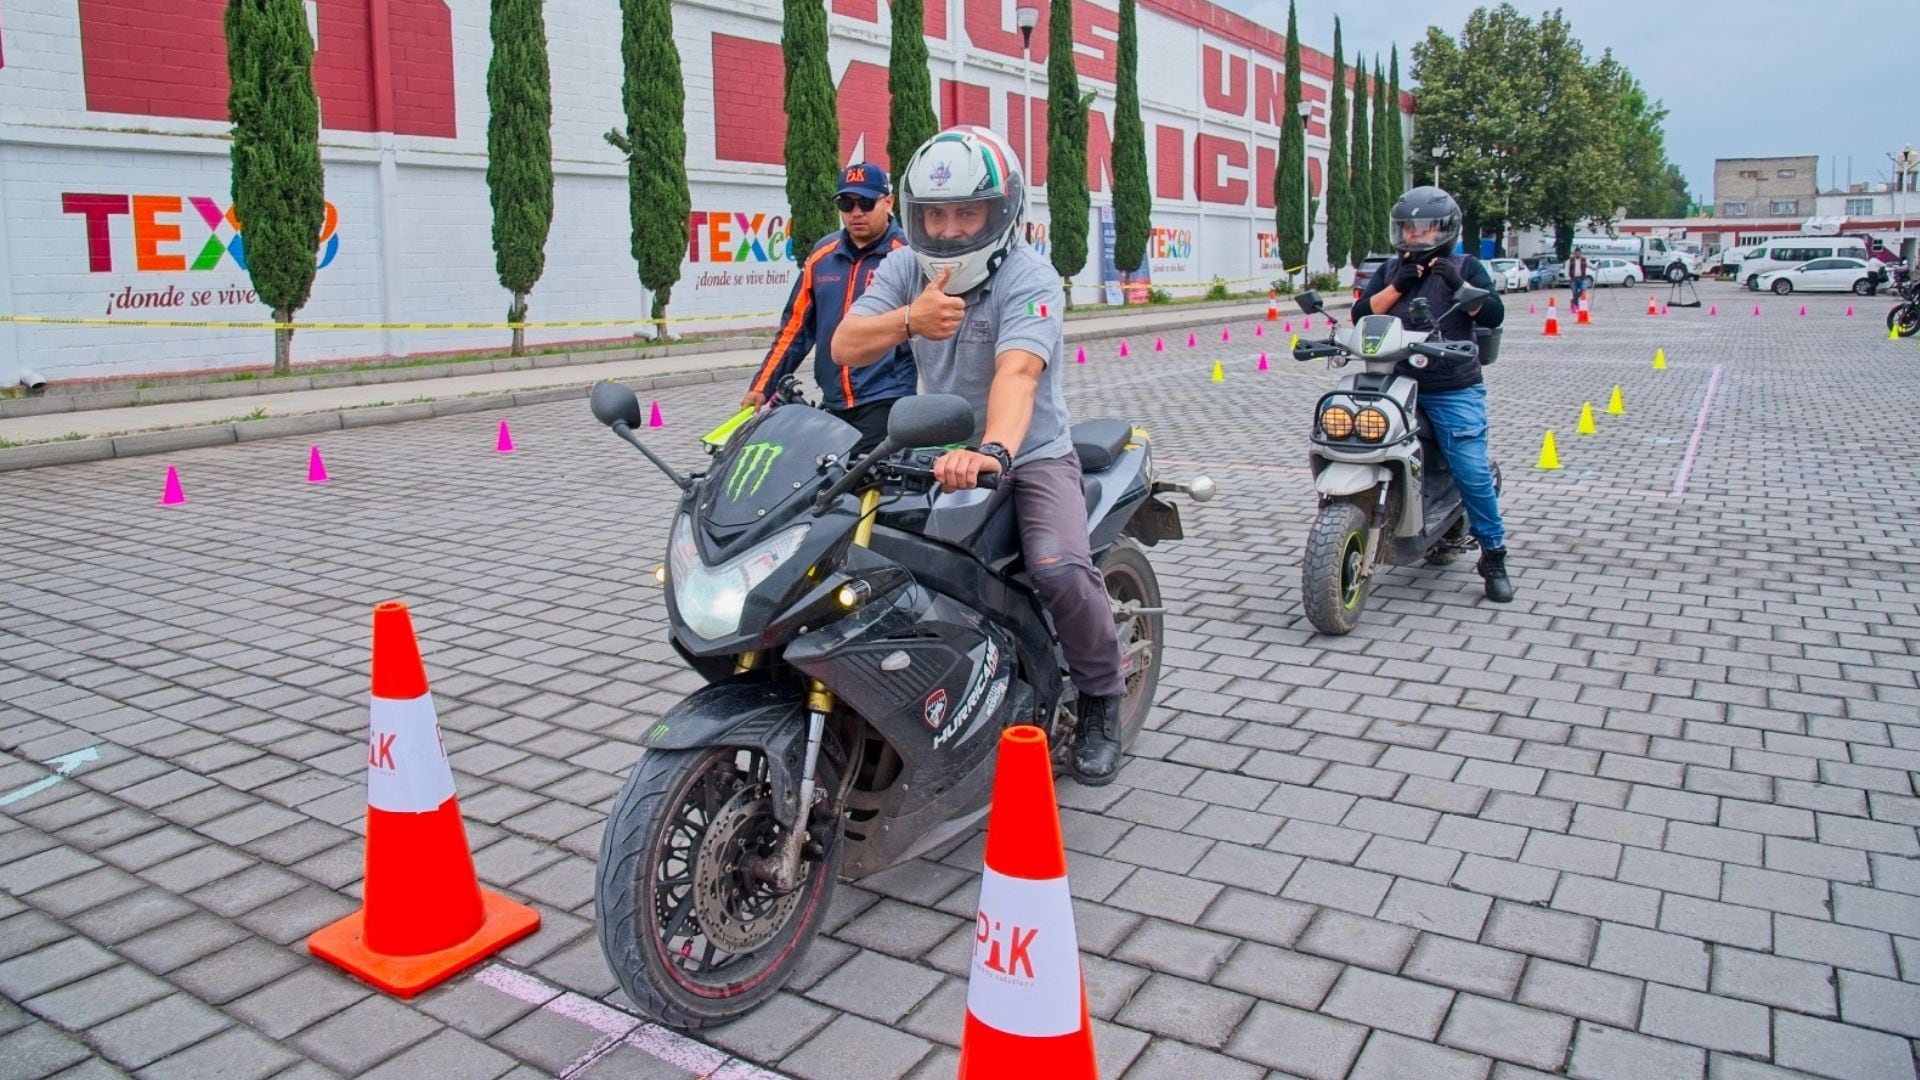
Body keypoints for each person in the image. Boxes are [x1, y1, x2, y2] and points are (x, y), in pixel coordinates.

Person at [832, 126, 1129, 785]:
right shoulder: (909, 265)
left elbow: (1018, 375)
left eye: (968, 212)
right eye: (935, 213)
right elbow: (847, 345)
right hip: (930, 445)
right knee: (867, 560)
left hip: (1029, 452)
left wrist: (993, 449)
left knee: (1056, 568)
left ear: (1000, 211)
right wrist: (909, 319)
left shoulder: (1031, 276)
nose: (951, 228)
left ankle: (1103, 698)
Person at [1353, 185, 1514, 603]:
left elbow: (1493, 313)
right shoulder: (1391, 271)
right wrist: (1398, 286)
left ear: (1444, 230)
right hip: (1392, 383)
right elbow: (1359, 315)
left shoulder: (1467, 266)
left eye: (1423, 229)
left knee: (1471, 469)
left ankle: (1493, 554)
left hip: (1450, 388)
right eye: (1407, 228)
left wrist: (1458, 285)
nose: (1414, 236)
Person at [743, 163, 916, 457]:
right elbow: (794, 330)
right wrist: (762, 386)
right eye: (846, 204)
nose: (856, 212)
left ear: (888, 202)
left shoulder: (909, 254)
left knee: (866, 489)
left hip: (889, 400)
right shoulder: (823, 255)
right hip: (834, 402)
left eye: (866, 202)